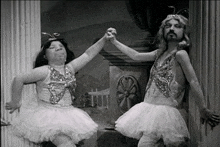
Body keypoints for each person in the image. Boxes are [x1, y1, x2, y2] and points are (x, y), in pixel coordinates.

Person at [105, 14, 220, 147]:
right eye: (168, 26)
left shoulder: (180, 54)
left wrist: (203, 108)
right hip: (149, 109)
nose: (171, 29)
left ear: (184, 32)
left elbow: (193, 81)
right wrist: (114, 41)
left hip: (166, 112)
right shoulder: (159, 53)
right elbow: (135, 56)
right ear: (163, 30)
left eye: (177, 26)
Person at [5, 31, 109, 147]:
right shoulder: (44, 71)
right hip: (48, 115)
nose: (58, 49)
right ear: (45, 56)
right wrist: (15, 101)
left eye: (61, 47)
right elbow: (19, 79)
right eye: (52, 48)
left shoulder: (70, 68)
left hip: (69, 113)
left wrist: (104, 39)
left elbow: (88, 54)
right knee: (66, 144)